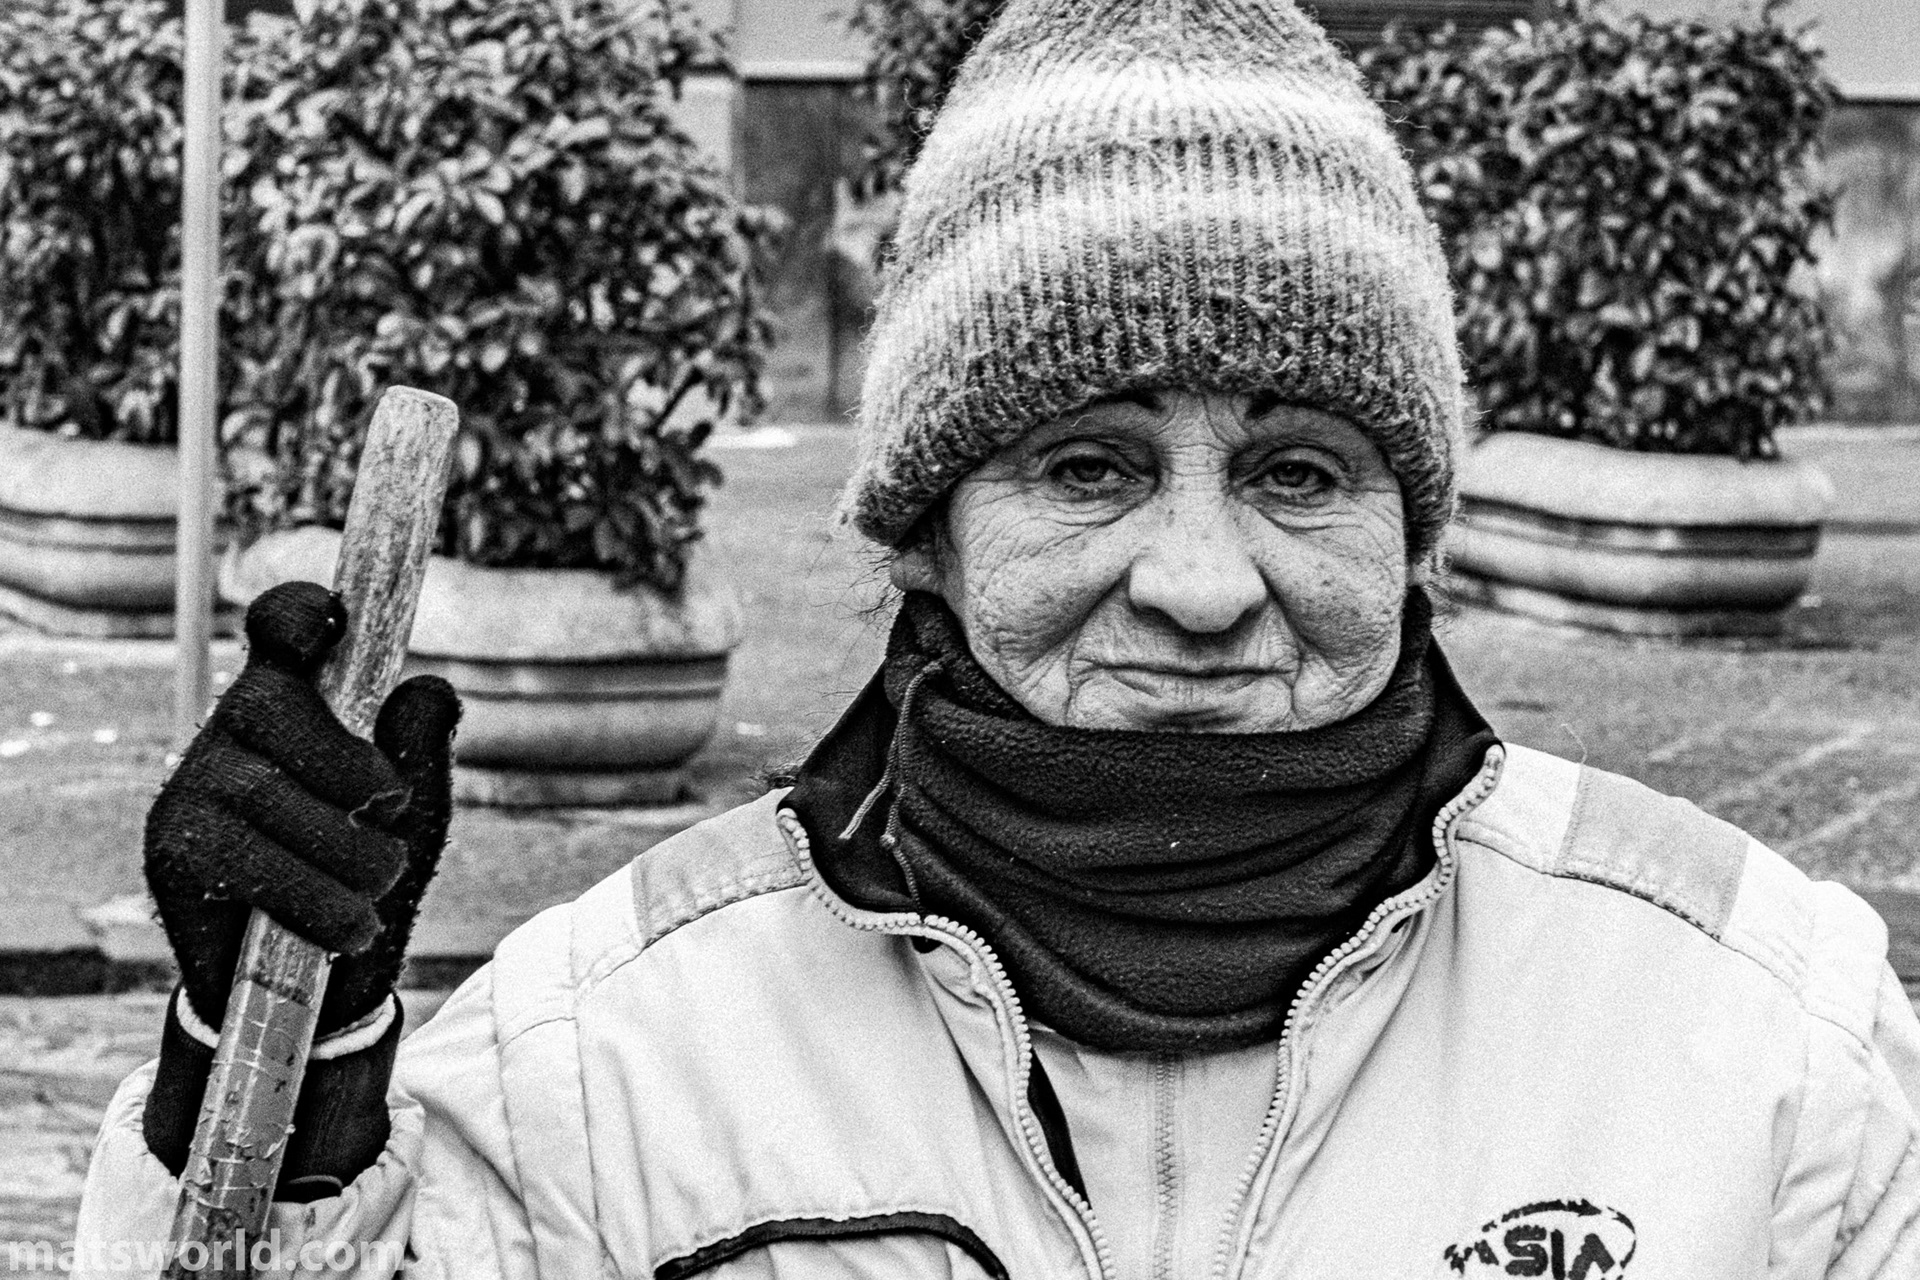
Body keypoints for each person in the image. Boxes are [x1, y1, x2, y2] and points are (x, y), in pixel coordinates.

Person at [77, 0, 1920, 1276]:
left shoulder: (1762, 1036)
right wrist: (276, 1090)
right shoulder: (606, 1059)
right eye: (1088, 465)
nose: (1202, 580)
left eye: (1297, 471)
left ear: (1410, 528)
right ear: (930, 536)